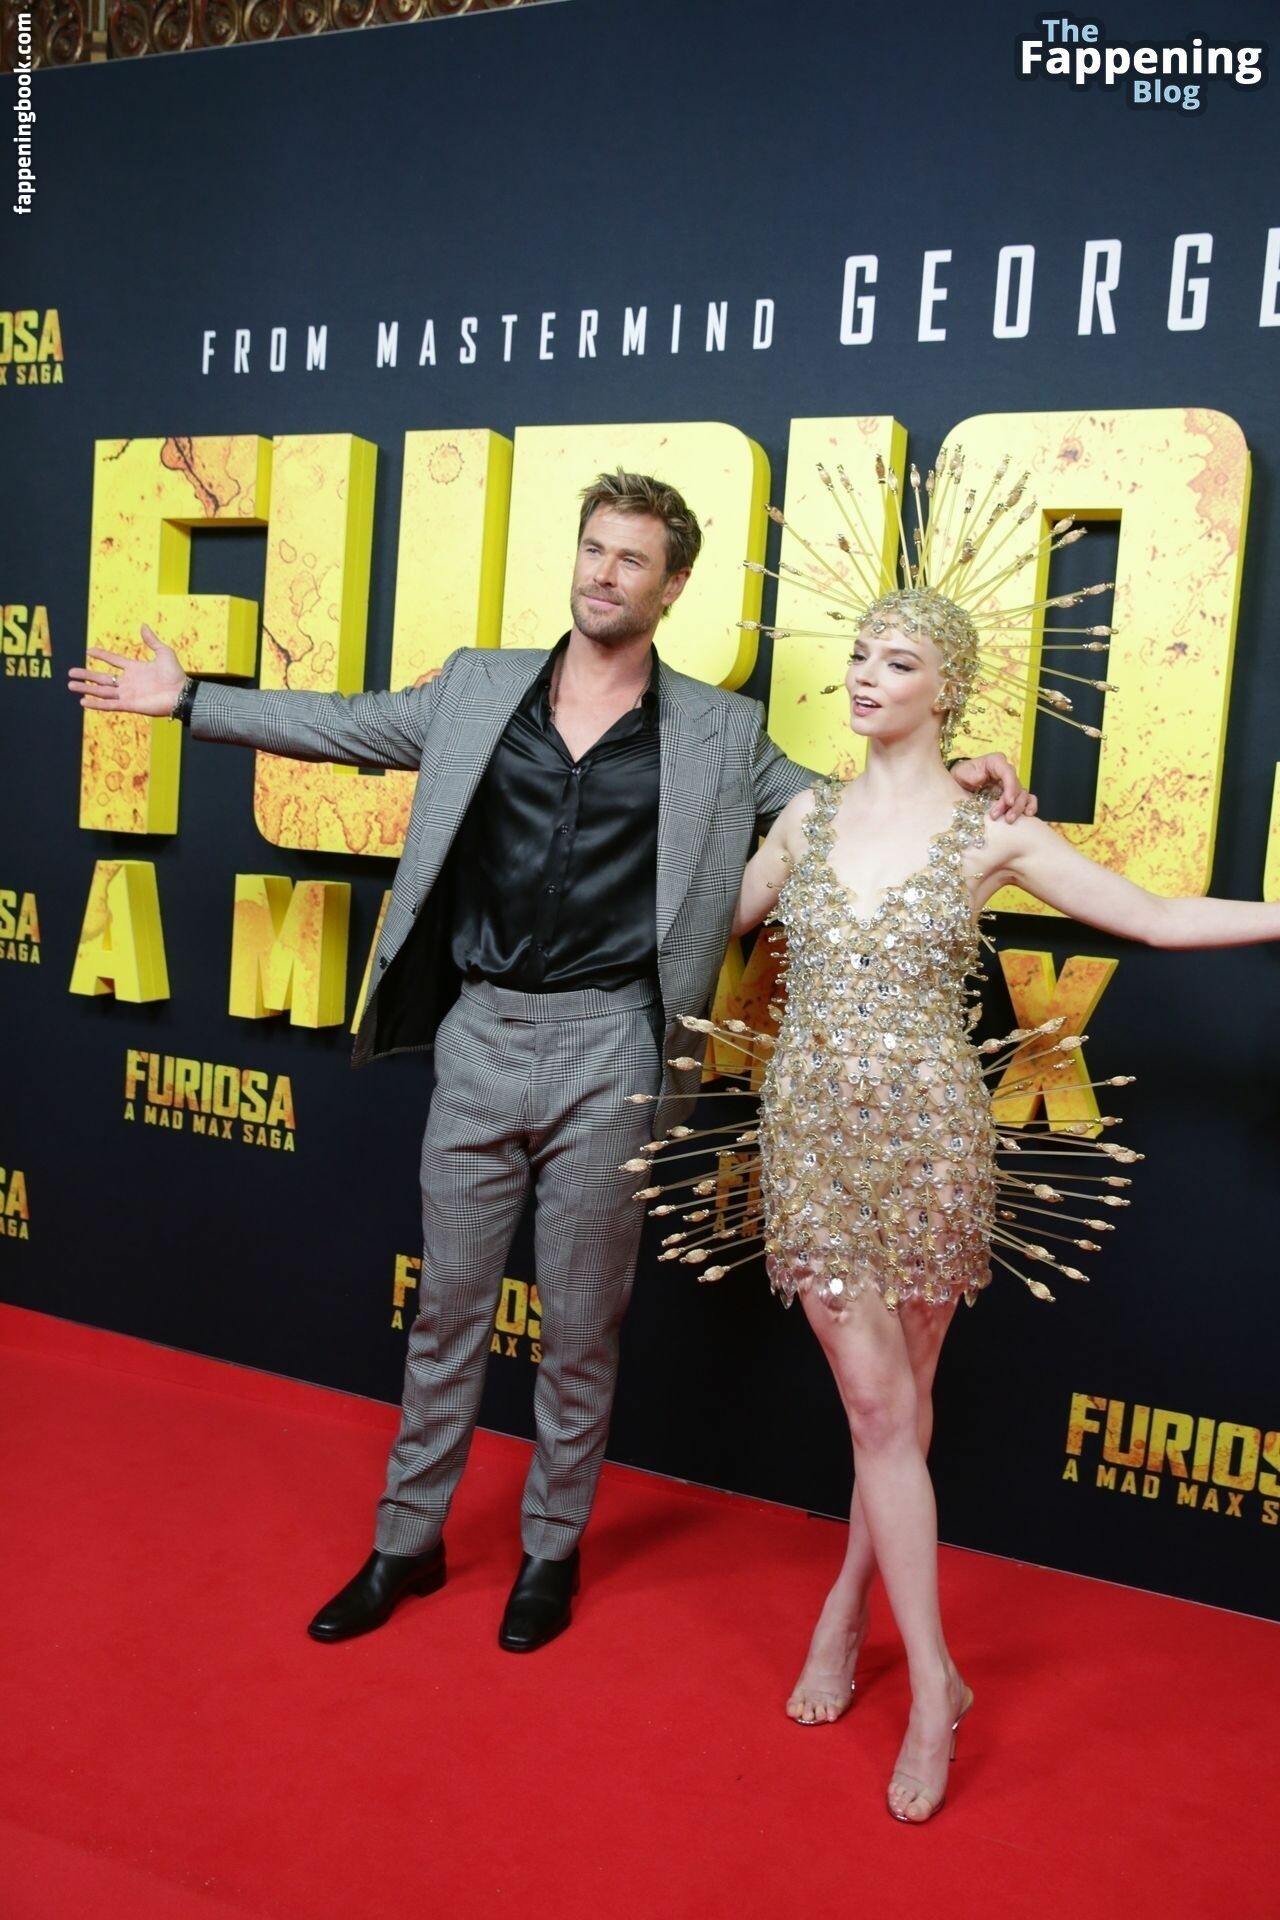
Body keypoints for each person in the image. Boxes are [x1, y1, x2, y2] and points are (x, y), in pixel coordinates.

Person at [68, 469, 1029, 1655]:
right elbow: (346, 724)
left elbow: (842, 813)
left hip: (612, 1044)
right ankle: (404, 1544)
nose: (602, 574)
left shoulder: (718, 732)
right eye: (592, 549)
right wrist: (187, 700)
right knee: (446, 1313)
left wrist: (954, 776)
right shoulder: (479, 687)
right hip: (479, 1032)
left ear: (671, 587)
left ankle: (549, 1552)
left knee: (580, 1324)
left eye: (631, 560)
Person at [714, 464, 1280, 1824]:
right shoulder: (801, 817)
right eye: (859, 654)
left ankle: (848, 1620)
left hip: (931, 1141)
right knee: (878, 1412)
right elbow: (710, 921)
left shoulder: (992, 835)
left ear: (946, 690)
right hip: (810, 1135)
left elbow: (1152, 917)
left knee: (896, 1410)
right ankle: (934, 1687)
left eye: (895, 662)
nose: (864, 677)